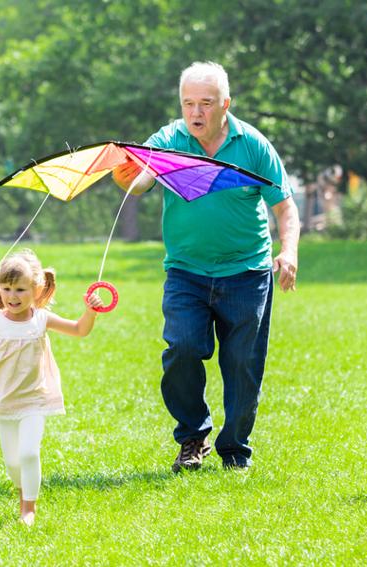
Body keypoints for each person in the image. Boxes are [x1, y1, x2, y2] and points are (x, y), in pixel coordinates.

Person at [112, 61, 300, 472]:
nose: (196, 113)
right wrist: (127, 176)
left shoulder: (252, 145)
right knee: (180, 348)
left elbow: (285, 208)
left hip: (246, 273)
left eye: (206, 103)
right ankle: (192, 438)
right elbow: (142, 180)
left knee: (242, 367)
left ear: (225, 104)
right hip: (186, 272)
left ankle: (234, 449)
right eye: (188, 103)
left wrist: (289, 252)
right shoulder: (167, 139)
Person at [0, 249, 105, 525]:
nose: (13, 296)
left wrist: (90, 312)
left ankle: (29, 509)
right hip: (4, 401)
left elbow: (79, 330)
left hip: (35, 399)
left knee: (28, 452)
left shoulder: (42, 319)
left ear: (37, 289)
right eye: (7, 289)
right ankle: (22, 490)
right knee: (13, 462)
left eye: (21, 290)